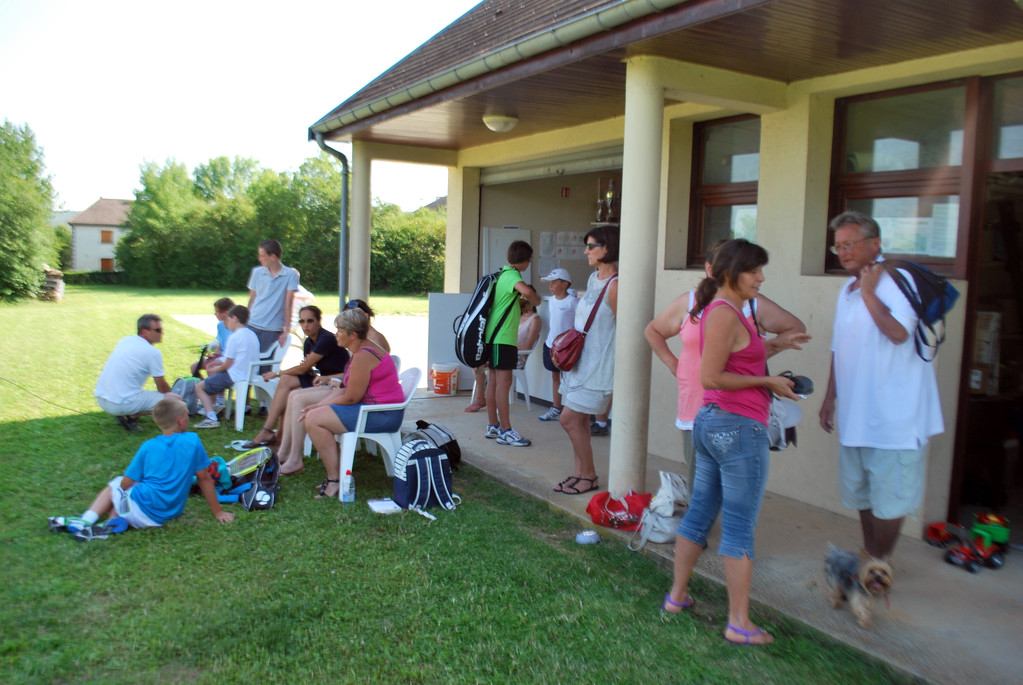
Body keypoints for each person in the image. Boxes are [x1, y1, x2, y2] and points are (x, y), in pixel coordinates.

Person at [661, 239, 802, 646]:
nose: (761, 277)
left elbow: (734, 359)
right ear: (729, 273)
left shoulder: (728, 311)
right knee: (739, 525)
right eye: (754, 270)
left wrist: (775, 346)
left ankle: (677, 597)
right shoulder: (725, 312)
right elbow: (711, 377)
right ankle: (739, 622)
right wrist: (768, 380)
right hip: (736, 428)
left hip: (714, 423)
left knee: (701, 512)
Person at [819, 210, 943, 561]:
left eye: (849, 244)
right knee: (863, 493)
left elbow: (899, 333)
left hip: (895, 418)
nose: (842, 252)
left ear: (876, 244)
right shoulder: (847, 288)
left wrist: (871, 293)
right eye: (837, 246)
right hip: (858, 413)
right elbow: (838, 346)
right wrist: (830, 397)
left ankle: (877, 564)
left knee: (890, 499)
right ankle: (870, 557)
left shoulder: (898, 280)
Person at [645, 239, 810, 488]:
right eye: (751, 270)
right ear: (711, 269)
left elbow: (795, 328)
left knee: (737, 490)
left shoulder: (754, 305)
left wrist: (764, 351)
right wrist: (673, 364)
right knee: (700, 490)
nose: (759, 277)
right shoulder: (689, 303)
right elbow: (653, 331)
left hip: (740, 411)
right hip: (695, 410)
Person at [47, 398, 233, 540]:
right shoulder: (193, 441)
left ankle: (87, 519)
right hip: (168, 513)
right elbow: (205, 478)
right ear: (180, 420)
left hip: (142, 506)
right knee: (127, 494)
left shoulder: (148, 447)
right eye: (186, 414)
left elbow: (126, 483)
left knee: (116, 484)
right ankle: (112, 522)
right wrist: (218, 512)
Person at [302, 308, 406, 499]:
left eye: (340, 330)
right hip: (373, 410)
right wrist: (318, 406)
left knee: (314, 421)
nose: (336, 335)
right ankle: (339, 474)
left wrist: (319, 409)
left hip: (383, 415)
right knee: (313, 415)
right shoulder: (361, 350)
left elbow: (351, 398)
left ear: (353, 334)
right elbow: (344, 389)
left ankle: (335, 480)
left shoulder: (363, 356)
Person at [554, 226, 619, 494]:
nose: (586, 251)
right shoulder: (594, 279)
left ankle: (589, 475)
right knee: (578, 421)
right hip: (579, 363)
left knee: (568, 419)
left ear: (607, 248)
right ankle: (580, 473)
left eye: (591, 246)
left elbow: (624, 331)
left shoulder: (616, 286)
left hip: (597, 368)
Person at [244, 305, 351, 448]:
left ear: (319, 321)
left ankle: (270, 432)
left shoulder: (326, 339)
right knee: (287, 384)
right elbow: (306, 369)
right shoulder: (309, 342)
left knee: (287, 382)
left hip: (337, 382)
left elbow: (304, 368)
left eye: (310, 321)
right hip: (321, 379)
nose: (305, 325)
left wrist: (276, 373)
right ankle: (275, 435)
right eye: (302, 321)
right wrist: (301, 368)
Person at [481, 241, 542, 446]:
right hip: (504, 339)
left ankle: (493, 425)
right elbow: (526, 291)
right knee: (503, 383)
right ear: (525, 260)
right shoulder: (512, 276)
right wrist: (536, 298)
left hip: (494, 337)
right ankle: (505, 430)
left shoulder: (501, 275)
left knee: (495, 381)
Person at [94, 313, 177, 432]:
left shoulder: (126, 340)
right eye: (158, 330)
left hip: (102, 399)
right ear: (144, 332)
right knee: (175, 402)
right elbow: (162, 388)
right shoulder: (153, 353)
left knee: (162, 398)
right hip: (119, 404)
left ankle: (128, 414)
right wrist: (172, 393)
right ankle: (130, 415)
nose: (162, 333)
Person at [466, 288, 542, 412]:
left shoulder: (535, 319)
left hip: (517, 356)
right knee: (477, 362)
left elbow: (528, 346)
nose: (520, 300)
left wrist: (508, 346)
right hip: (506, 351)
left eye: (523, 297)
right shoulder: (516, 315)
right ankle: (480, 397)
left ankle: (487, 403)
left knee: (492, 366)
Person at [193, 305, 261, 429]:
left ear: (234, 318)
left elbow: (227, 365)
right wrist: (218, 361)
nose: (227, 323)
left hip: (235, 375)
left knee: (199, 387)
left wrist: (214, 369)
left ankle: (211, 416)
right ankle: (215, 405)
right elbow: (237, 356)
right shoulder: (252, 335)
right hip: (250, 373)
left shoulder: (234, 337)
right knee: (212, 377)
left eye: (228, 320)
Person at [247, 238, 299, 362]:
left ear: (273, 257)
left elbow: (289, 303)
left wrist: (286, 331)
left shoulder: (290, 275)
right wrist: (245, 323)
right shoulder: (257, 272)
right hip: (252, 324)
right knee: (247, 364)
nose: (259, 259)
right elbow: (252, 299)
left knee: (265, 367)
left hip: (273, 328)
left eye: (262, 256)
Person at [537, 268, 578, 422]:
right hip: (552, 345)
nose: (551, 286)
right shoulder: (552, 301)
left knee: (570, 378)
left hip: (567, 348)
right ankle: (556, 408)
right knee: (555, 376)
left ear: (565, 284)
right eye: (550, 283)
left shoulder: (573, 302)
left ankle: (572, 411)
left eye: (554, 283)